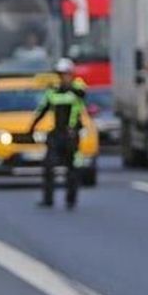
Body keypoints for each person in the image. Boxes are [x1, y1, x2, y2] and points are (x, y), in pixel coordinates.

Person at [28, 58, 88, 209]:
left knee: (72, 169)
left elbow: (82, 93)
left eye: (66, 74)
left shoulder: (77, 88)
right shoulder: (52, 92)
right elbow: (42, 111)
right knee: (49, 166)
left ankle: (71, 200)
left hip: (71, 135)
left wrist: (69, 87)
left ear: (71, 74)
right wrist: (31, 128)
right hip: (56, 135)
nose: (63, 77)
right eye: (61, 74)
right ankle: (48, 199)